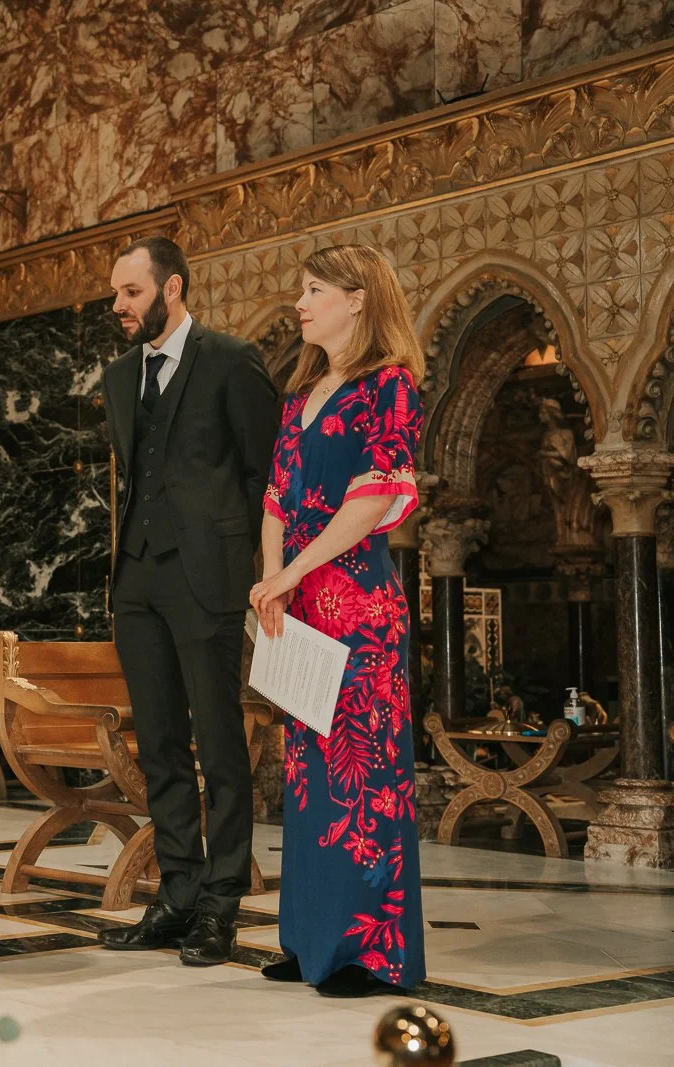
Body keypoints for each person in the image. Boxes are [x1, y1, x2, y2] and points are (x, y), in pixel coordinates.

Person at [249, 243, 427, 997]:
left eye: (314, 288)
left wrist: (293, 570)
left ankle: (370, 953)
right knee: (309, 777)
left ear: (358, 298)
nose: (301, 302)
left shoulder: (391, 386)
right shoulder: (300, 396)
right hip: (300, 607)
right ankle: (311, 938)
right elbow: (275, 500)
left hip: (357, 605)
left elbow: (375, 499)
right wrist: (271, 581)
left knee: (367, 775)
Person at [97, 236, 279, 966]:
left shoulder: (232, 362)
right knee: (162, 745)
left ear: (171, 288)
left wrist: (260, 573)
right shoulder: (117, 377)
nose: (118, 306)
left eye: (131, 292)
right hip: (137, 582)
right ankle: (176, 892)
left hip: (207, 579)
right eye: (116, 294)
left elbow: (266, 476)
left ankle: (220, 903)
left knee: (222, 747)